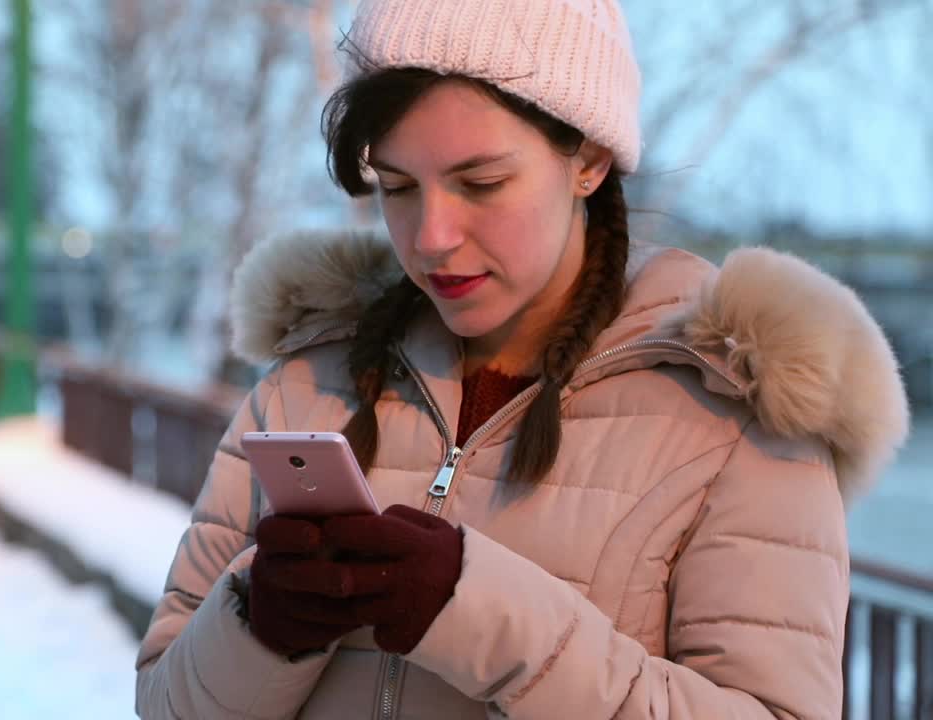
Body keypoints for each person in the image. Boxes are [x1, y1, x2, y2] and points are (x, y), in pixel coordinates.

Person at [134, 0, 911, 717]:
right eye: (397, 186)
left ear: (589, 160)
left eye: (481, 182)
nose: (431, 236)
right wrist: (262, 628)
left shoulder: (737, 409)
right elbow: (165, 702)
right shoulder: (309, 379)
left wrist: (481, 617)